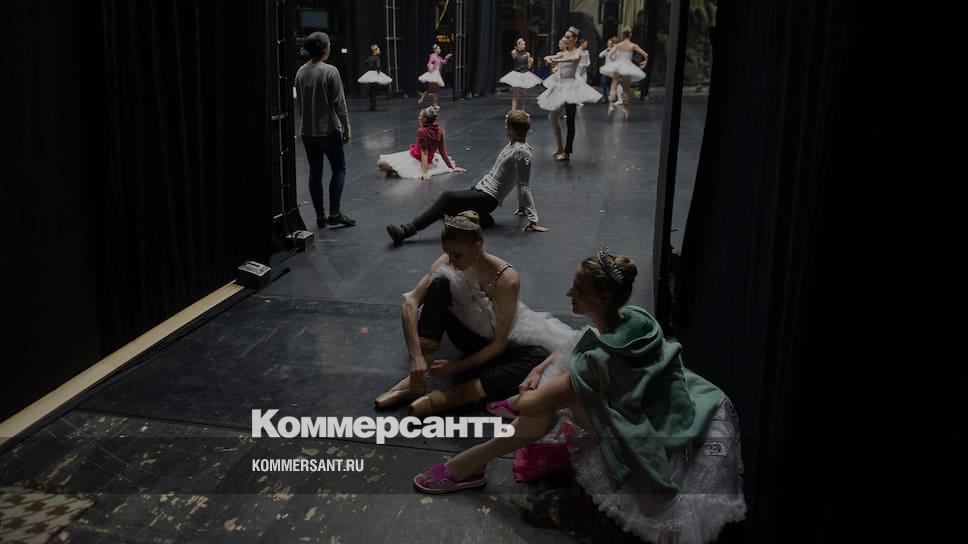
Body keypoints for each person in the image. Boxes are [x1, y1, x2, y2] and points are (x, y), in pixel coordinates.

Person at [413, 249, 747, 543]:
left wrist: (518, 398)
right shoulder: (635, 318)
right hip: (689, 399)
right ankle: (470, 464)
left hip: (665, 432)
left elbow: (534, 401)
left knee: (539, 410)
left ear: (603, 297)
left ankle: (463, 467)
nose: (569, 292)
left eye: (578, 288)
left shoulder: (593, 365)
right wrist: (539, 369)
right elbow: (581, 340)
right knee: (551, 388)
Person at [374, 211, 574, 417]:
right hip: (467, 336)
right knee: (439, 284)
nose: (452, 261)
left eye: (457, 255)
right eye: (448, 254)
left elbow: (499, 344)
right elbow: (410, 304)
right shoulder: (448, 261)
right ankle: (416, 381)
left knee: (538, 358)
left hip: (494, 345)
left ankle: (454, 396)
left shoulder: (507, 279)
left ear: (477, 248)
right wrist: (417, 358)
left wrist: (456, 367)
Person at [386, 111, 549, 246]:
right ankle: (482, 219)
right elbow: (517, 180)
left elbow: (523, 184)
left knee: (447, 198)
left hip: (487, 198)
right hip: (481, 191)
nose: (505, 128)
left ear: (512, 129)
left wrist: (532, 217)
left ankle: (406, 231)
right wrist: (521, 207)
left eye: (507, 126)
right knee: (443, 209)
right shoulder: (513, 144)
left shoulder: (521, 152)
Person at [294, 32, 356, 228]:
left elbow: (299, 103)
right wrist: (346, 127)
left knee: (315, 173)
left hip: (307, 131)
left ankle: (320, 217)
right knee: (339, 169)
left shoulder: (300, 71)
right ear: (324, 48)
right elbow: (340, 104)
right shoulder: (330, 71)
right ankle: (334, 213)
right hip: (328, 130)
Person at [537, 27, 602, 161]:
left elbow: (573, 59)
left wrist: (557, 61)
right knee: (552, 117)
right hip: (561, 86)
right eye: (565, 37)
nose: (566, 39)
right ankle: (560, 147)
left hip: (572, 87)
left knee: (570, 121)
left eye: (568, 37)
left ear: (575, 39)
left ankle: (567, 152)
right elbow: (548, 57)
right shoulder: (563, 53)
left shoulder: (578, 52)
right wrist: (549, 59)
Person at [377, 106, 465, 180]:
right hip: (427, 158)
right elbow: (442, 151)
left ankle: (398, 170)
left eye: (420, 116)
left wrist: (425, 172)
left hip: (416, 158)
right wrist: (451, 167)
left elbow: (424, 152)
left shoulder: (422, 131)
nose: (419, 117)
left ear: (424, 119)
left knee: (381, 163)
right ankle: (398, 170)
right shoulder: (439, 130)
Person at [601, 27, 649, 119]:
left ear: (623, 35)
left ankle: (611, 104)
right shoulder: (632, 45)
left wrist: (614, 62)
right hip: (627, 67)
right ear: (630, 34)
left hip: (618, 66)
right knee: (626, 89)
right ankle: (625, 108)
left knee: (614, 85)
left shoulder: (618, 45)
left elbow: (610, 55)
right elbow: (645, 54)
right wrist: (645, 62)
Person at [499, 38, 543, 111]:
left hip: (524, 73)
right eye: (522, 44)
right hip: (517, 73)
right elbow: (515, 56)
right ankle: (513, 110)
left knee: (523, 94)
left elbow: (528, 67)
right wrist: (517, 46)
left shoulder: (527, 54)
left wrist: (531, 62)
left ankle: (522, 110)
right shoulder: (514, 52)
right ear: (518, 45)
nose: (524, 46)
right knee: (515, 93)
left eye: (524, 44)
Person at [358, 44, 392, 112]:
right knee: (374, 90)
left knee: (371, 90)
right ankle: (373, 106)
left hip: (370, 73)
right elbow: (378, 66)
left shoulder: (369, 58)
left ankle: (371, 105)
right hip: (375, 73)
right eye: (378, 49)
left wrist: (368, 69)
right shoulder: (377, 58)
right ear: (375, 51)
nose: (379, 50)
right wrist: (378, 74)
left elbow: (365, 64)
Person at [418, 44, 452, 108]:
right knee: (435, 90)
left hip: (437, 74)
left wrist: (446, 58)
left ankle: (422, 98)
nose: (440, 50)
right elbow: (430, 63)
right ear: (435, 50)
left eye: (440, 49)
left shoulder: (439, 57)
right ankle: (435, 104)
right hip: (433, 74)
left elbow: (444, 63)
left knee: (430, 89)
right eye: (439, 49)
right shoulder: (433, 56)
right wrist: (430, 68)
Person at [598, 37, 623, 106]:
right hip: (606, 70)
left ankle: (612, 96)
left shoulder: (615, 50)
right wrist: (606, 50)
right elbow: (600, 55)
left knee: (612, 84)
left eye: (610, 43)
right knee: (604, 83)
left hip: (613, 70)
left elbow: (615, 59)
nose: (609, 44)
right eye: (608, 43)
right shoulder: (607, 50)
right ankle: (605, 97)